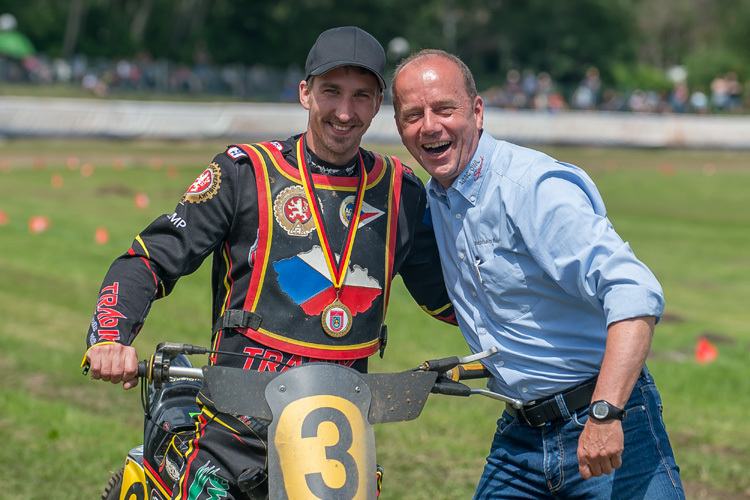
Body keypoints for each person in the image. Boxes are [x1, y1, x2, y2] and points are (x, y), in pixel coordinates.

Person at [83, 28, 455, 500]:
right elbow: (150, 260)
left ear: (378, 101)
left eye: (361, 96)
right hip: (230, 438)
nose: (345, 112)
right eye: (331, 93)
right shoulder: (244, 174)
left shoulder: (402, 191)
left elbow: (448, 300)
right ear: (305, 92)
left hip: (338, 451)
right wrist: (111, 338)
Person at [391, 49, 685, 499]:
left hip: (601, 418)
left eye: (444, 109)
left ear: (477, 111)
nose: (429, 125)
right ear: (399, 126)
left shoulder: (530, 188)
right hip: (520, 436)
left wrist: (605, 415)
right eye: (413, 114)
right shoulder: (436, 199)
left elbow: (634, 293)